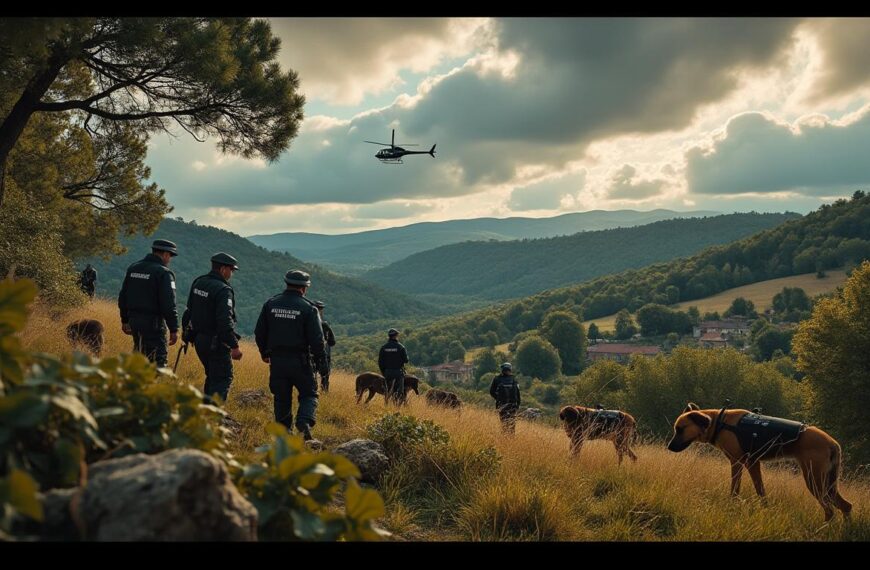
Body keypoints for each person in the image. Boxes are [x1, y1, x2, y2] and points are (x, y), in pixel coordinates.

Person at [255, 269, 328, 441]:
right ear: (304, 289)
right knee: (309, 394)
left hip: (277, 361)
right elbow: (317, 340)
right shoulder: (309, 308)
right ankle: (303, 422)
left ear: (286, 283)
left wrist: (264, 353)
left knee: (281, 398)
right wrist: (322, 362)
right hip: (301, 362)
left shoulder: (271, 304)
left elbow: (259, 332)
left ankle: (283, 435)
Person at [181, 252, 243, 403]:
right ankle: (213, 418)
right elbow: (224, 321)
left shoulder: (199, 282)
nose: (231, 274)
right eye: (231, 270)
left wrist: (186, 334)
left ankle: (204, 414)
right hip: (215, 343)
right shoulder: (223, 290)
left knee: (212, 377)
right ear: (223, 269)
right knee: (222, 379)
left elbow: (188, 311)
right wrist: (234, 346)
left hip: (199, 340)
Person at [118, 239, 179, 367]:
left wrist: (124, 320)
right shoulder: (164, 273)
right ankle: (151, 387)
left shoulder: (134, 268)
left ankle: (132, 386)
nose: (169, 260)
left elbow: (123, 297)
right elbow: (169, 304)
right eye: (170, 256)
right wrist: (174, 328)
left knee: (138, 358)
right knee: (157, 362)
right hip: (154, 324)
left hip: (134, 321)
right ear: (166, 254)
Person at [378, 328, 409, 405]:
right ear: (396, 336)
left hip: (387, 372)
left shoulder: (384, 347)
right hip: (398, 372)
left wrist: (383, 372)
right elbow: (406, 360)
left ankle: (387, 403)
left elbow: (380, 362)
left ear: (389, 336)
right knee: (400, 391)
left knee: (387, 389)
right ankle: (397, 404)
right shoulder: (401, 347)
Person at [490, 362, 521, 434]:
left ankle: (504, 439)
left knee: (503, 423)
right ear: (510, 369)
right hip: (513, 406)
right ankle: (511, 440)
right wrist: (517, 405)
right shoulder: (514, 379)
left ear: (502, 370)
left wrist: (498, 399)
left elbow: (491, 392)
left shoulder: (497, 379)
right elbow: (518, 394)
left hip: (502, 406)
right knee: (512, 425)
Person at [313, 300, 336, 392]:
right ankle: (324, 392)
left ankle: (313, 390)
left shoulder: (306, 324)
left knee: (312, 374)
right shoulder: (324, 325)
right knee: (325, 376)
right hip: (325, 354)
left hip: (311, 354)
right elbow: (332, 342)